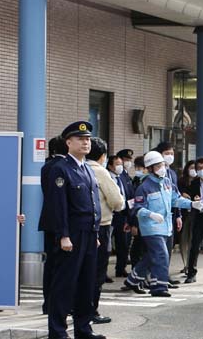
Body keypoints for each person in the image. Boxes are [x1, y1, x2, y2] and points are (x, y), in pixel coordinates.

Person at [45, 121, 105, 339]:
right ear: (68, 143)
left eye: (88, 139)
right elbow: (58, 205)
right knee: (64, 284)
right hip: (72, 233)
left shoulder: (87, 168)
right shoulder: (61, 168)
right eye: (80, 139)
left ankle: (83, 329)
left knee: (86, 283)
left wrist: (95, 233)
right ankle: (58, 331)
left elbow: (93, 202)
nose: (86, 143)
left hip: (89, 233)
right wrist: (63, 235)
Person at [123, 151, 201, 297]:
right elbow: (137, 208)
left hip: (166, 226)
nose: (162, 168)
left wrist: (192, 204)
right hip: (150, 227)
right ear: (150, 168)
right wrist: (151, 214)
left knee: (152, 255)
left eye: (163, 165)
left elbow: (175, 200)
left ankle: (132, 279)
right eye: (158, 166)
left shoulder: (167, 183)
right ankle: (159, 287)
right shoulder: (144, 187)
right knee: (161, 255)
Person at [87, 138, 125, 325]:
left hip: (81, 226)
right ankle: (91, 310)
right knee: (97, 271)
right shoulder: (100, 171)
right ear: (103, 156)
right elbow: (117, 201)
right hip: (101, 225)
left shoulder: (80, 168)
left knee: (83, 269)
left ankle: (77, 307)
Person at [38, 136, 68, 315]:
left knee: (50, 263)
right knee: (61, 264)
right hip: (61, 221)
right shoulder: (62, 167)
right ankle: (57, 303)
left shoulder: (46, 166)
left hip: (48, 220)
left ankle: (48, 303)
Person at [154, 142, 182, 286]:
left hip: (171, 216)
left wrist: (178, 215)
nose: (170, 156)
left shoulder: (172, 174)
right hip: (157, 217)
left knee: (168, 248)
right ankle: (152, 277)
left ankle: (164, 276)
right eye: (167, 153)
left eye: (172, 153)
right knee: (158, 250)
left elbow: (175, 196)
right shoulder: (153, 173)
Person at [107, 155, 130, 278]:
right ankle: (103, 272)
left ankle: (121, 268)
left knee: (123, 243)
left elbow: (128, 194)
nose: (120, 166)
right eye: (117, 164)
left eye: (121, 163)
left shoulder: (122, 178)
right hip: (110, 214)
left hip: (122, 214)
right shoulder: (107, 177)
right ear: (110, 166)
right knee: (107, 245)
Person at [177, 160, 197, 274]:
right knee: (183, 240)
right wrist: (182, 194)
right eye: (191, 168)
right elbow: (176, 194)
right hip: (184, 214)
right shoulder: (181, 181)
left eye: (195, 168)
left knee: (193, 241)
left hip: (195, 214)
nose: (193, 170)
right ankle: (186, 264)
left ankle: (191, 265)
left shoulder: (199, 181)